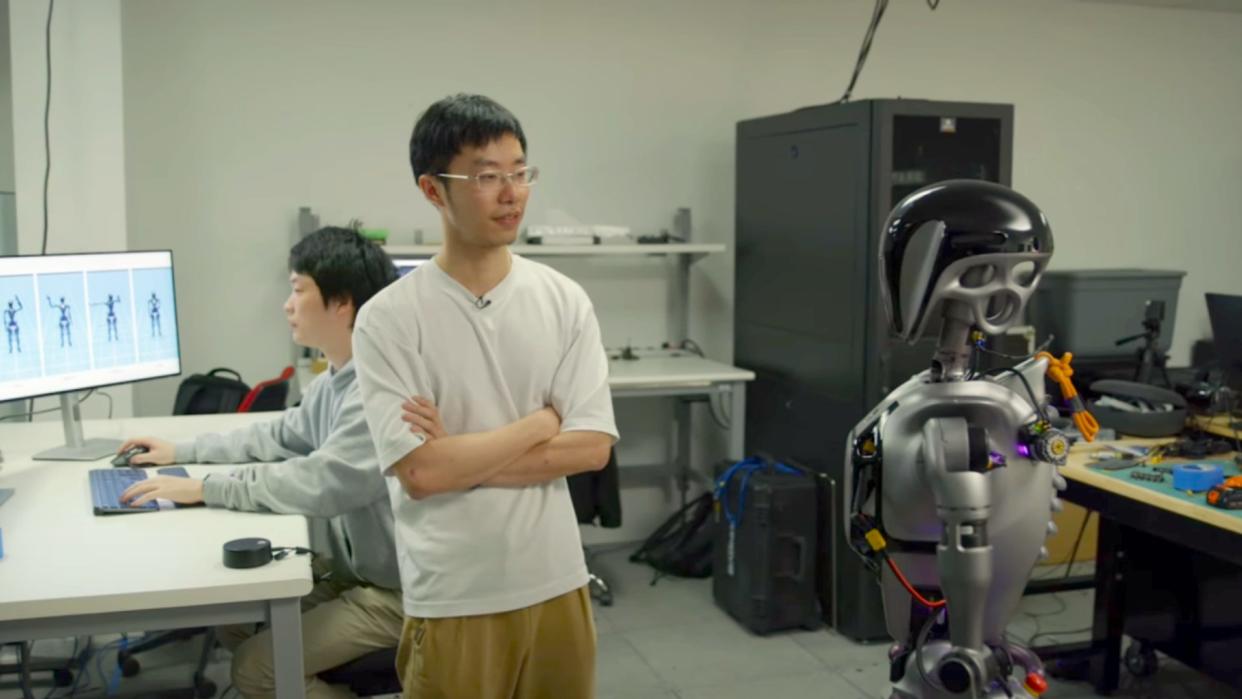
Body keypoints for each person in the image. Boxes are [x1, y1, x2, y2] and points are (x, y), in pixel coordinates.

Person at [352, 94, 618, 698]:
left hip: (557, 582)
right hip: (453, 596)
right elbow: (420, 472)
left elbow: (592, 449)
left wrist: (461, 459)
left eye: (519, 172)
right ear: (432, 189)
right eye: (486, 176)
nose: (512, 192)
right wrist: (541, 423)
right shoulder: (388, 319)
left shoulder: (563, 300)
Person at [118, 227, 406, 699]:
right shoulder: (336, 379)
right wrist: (182, 452)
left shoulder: (377, 389)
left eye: (297, 290)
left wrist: (208, 487)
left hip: (398, 596)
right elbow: (278, 434)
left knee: (256, 669)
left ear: (342, 303)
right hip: (358, 574)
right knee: (235, 614)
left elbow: (324, 482)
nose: (286, 305)